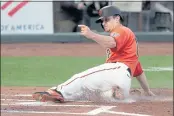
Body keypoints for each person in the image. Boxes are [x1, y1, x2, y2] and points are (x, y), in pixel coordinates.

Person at [32, 5, 143, 103]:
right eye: (102, 21)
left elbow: (111, 42)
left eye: (106, 20)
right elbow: (138, 71)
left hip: (117, 71)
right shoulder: (128, 42)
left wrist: (92, 35)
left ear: (117, 18)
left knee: (81, 78)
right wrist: (147, 91)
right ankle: (115, 93)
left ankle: (58, 91)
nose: (104, 23)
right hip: (122, 80)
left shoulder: (121, 30)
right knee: (89, 93)